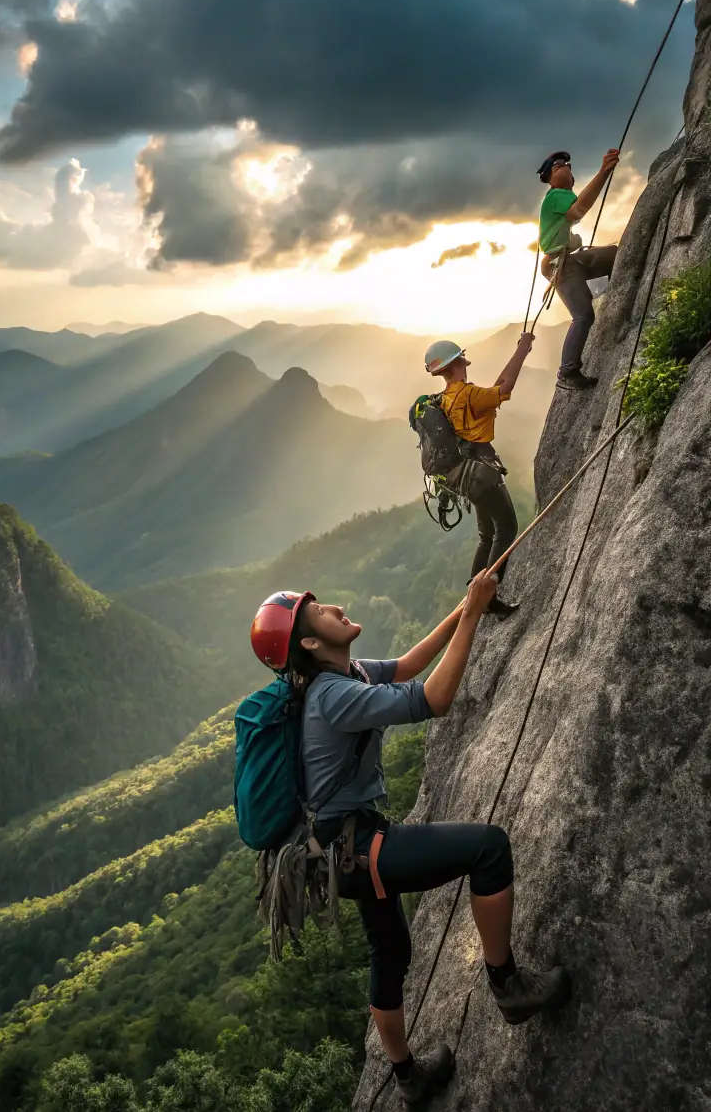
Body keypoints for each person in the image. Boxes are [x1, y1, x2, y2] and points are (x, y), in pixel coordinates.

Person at [249, 580, 571, 1108]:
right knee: (488, 848)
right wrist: (472, 620)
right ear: (308, 644)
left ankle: (407, 1077)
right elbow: (436, 699)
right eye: (318, 611)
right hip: (359, 848)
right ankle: (508, 986)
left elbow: (409, 664)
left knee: (390, 951)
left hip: (341, 848)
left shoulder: (343, 673)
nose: (333, 606)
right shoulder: (334, 696)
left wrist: (469, 604)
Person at [423, 333, 534, 618]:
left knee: (487, 535)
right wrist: (522, 351)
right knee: (506, 528)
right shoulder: (468, 395)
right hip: (483, 472)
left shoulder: (446, 399)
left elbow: (495, 391)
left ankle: (477, 593)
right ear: (459, 362)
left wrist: (518, 351)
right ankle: (487, 594)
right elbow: (505, 388)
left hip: (463, 476)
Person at [537, 148, 621, 390]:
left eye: (569, 165)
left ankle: (607, 295)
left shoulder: (558, 197)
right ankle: (567, 371)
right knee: (583, 315)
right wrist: (604, 172)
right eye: (561, 165)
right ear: (551, 175)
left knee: (615, 255)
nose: (568, 167)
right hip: (561, 265)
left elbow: (574, 215)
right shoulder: (556, 195)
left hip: (568, 261)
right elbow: (577, 211)